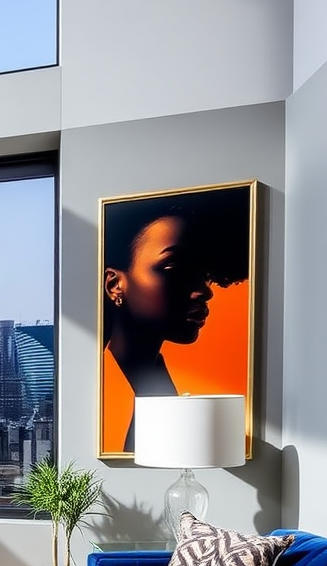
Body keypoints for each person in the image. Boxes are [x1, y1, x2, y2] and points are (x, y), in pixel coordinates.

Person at [101, 187, 251, 453]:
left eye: (203, 273)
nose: (205, 291)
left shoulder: (160, 384)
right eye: (175, 269)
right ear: (115, 285)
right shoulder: (102, 393)